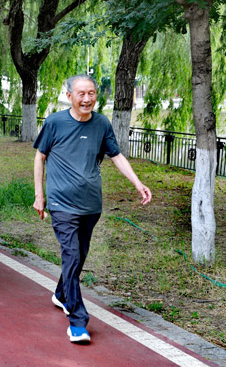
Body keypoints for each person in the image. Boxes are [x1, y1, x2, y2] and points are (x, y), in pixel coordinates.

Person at [33, 75, 152, 344]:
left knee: (79, 255)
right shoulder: (54, 122)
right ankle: (78, 321)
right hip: (62, 203)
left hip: (90, 205)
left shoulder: (101, 123)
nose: (87, 99)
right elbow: (40, 157)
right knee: (72, 255)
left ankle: (61, 293)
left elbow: (116, 156)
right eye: (81, 94)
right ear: (69, 96)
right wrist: (40, 196)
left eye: (91, 93)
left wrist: (138, 183)